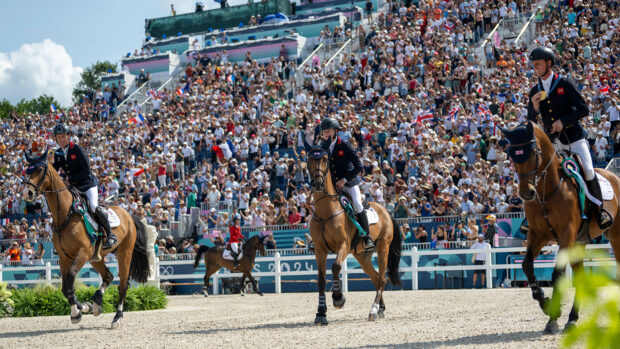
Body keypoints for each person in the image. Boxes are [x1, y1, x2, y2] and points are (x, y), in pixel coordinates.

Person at [527, 47, 612, 230]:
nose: (535, 68)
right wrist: (534, 108)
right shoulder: (535, 90)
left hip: (574, 138)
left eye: (538, 64)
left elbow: (584, 109)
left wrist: (562, 122)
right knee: (539, 174)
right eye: (533, 65)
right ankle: (534, 217)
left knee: (588, 171)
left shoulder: (565, 84)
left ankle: (600, 211)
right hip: (553, 143)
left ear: (549, 63)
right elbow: (530, 122)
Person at [50, 123, 117, 261]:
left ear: (68, 136)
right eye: (58, 137)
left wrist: (70, 180)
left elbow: (86, 171)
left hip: (87, 185)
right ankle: (62, 242)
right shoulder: (58, 153)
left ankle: (110, 235)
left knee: (93, 206)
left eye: (63, 136)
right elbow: (54, 172)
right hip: (73, 187)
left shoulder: (77, 149)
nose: (61, 139)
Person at [319, 117, 373, 251]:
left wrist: (345, 180)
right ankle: (318, 239)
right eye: (324, 132)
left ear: (335, 131)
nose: (325, 134)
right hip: (332, 185)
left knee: (357, 204)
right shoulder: (323, 146)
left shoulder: (345, 145)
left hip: (348, 183)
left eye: (328, 131)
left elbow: (359, 166)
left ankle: (367, 237)